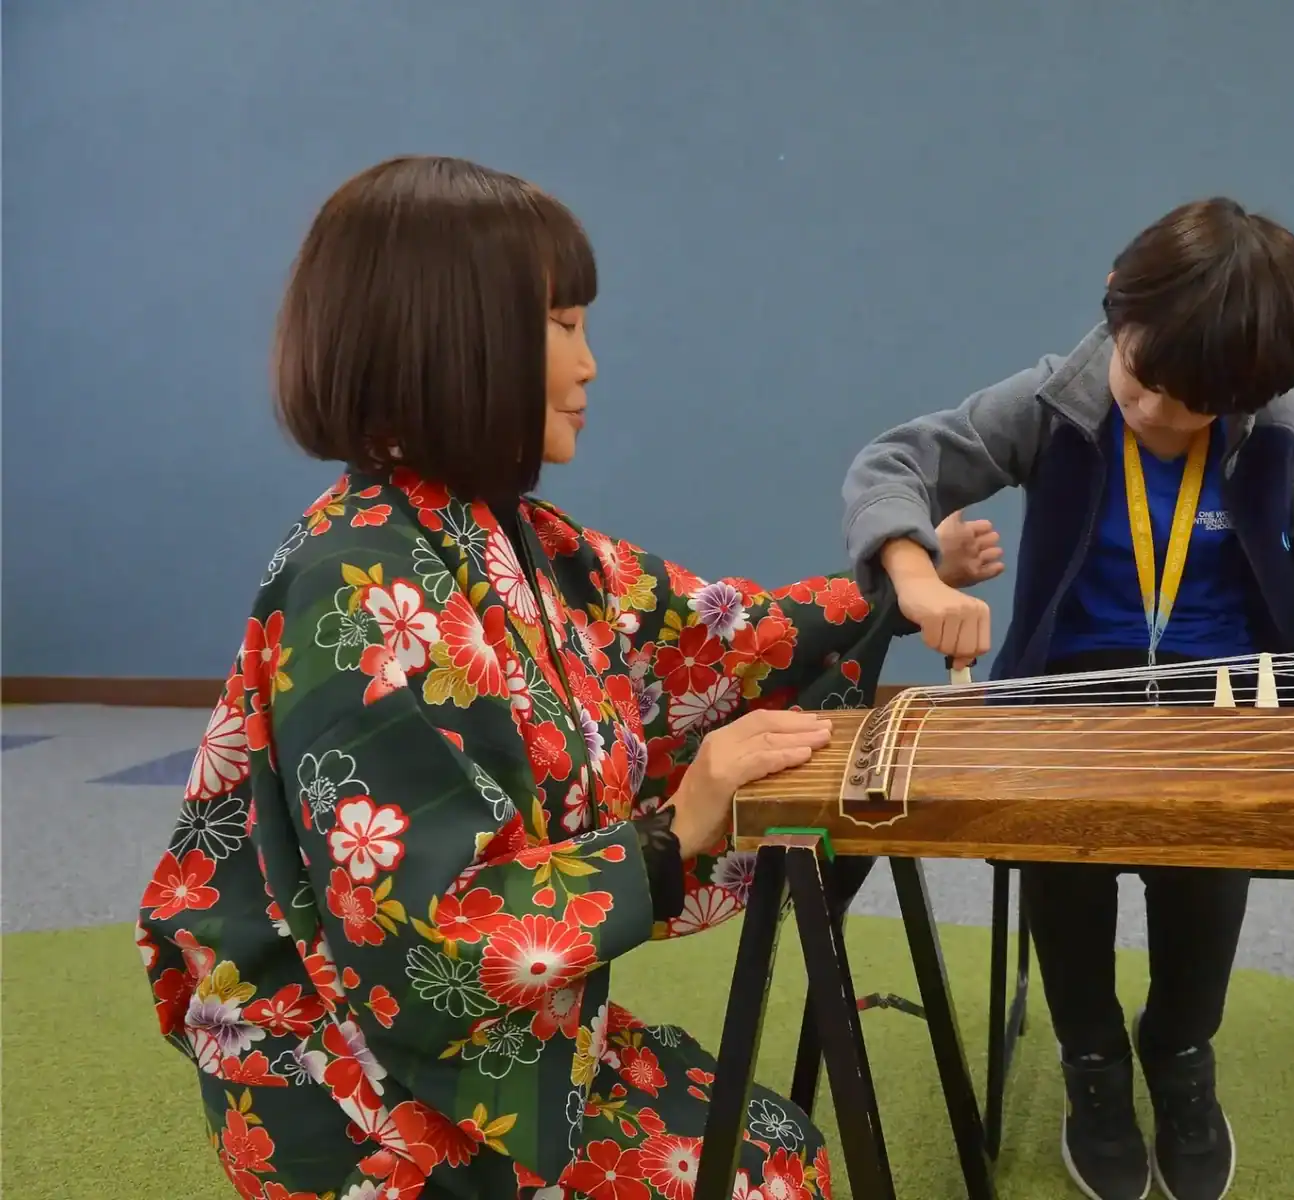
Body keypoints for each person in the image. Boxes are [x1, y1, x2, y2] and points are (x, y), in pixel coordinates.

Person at [136, 155, 995, 1200]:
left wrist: (897, 585)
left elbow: (705, 638)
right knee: (759, 1173)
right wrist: (678, 826)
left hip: (479, 1039)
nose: (590, 365)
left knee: (771, 1140)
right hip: (353, 1077)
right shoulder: (361, 589)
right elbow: (423, 953)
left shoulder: (505, 534)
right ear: (460, 336)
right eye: (564, 325)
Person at [841, 197, 1294, 1200]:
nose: (1155, 415)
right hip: (1068, 698)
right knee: (1063, 862)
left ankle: (1180, 1052)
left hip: (1227, 703)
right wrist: (916, 575)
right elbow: (897, 462)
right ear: (1117, 307)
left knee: (1203, 863)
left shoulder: (1279, 422)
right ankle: (1092, 1060)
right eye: (1144, 380)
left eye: (1192, 409)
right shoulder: (1052, 401)